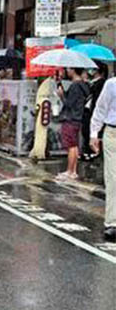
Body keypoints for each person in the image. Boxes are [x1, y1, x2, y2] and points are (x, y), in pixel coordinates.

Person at [90, 77, 116, 242]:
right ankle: (112, 223)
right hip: (113, 134)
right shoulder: (111, 84)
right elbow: (100, 109)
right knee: (113, 177)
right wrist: (94, 133)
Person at [56, 68, 90, 180]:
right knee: (74, 145)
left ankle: (70, 171)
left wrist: (61, 95)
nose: (67, 71)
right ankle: (73, 171)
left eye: (69, 69)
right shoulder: (83, 85)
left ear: (73, 70)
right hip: (77, 118)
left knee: (71, 146)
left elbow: (69, 103)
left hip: (70, 118)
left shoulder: (75, 86)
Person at [82, 64, 108, 160]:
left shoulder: (101, 83)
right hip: (89, 111)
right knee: (86, 131)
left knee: (91, 131)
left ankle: (93, 153)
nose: (90, 71)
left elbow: (97, 100)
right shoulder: (93, 82)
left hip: (94, 112)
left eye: (93, 69)